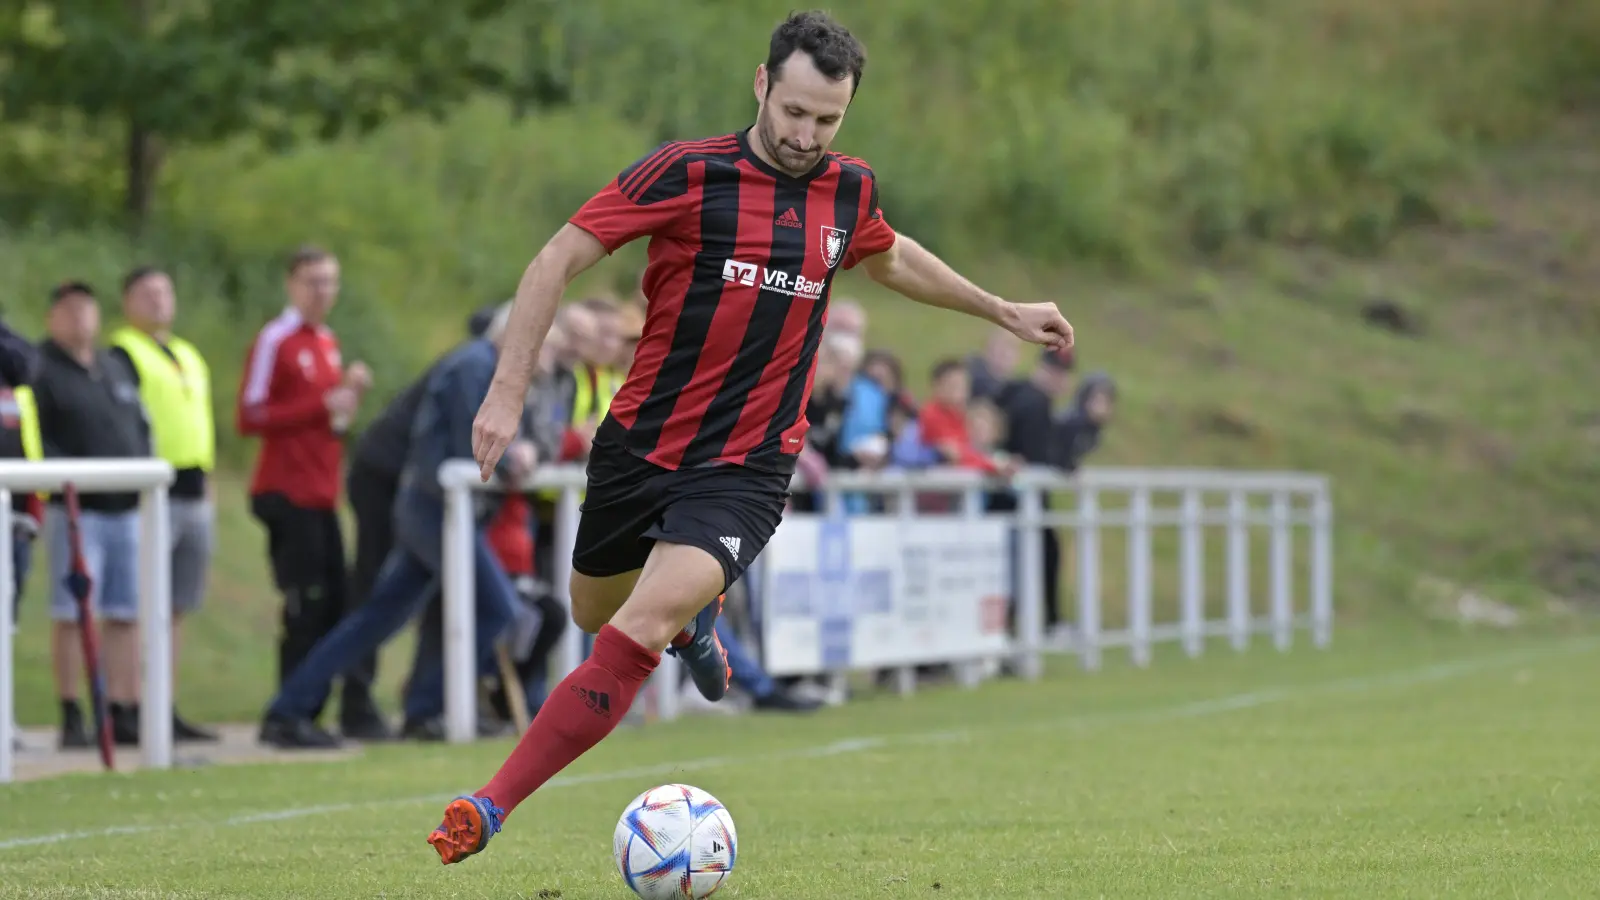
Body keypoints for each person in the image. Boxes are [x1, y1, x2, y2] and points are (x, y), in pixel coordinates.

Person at [426, 10, 1072, 865]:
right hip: (640, 443)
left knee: (637, 629)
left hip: (750, 463)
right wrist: (507, 393)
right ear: (763, 85)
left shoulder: (848, 191)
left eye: (827, 120)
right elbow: (555, 261)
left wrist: (1000, 309)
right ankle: (700, 619)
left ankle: (488, 804)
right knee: (597, 611)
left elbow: (890, 256)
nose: (807, 135)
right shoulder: (688, 173)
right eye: (795, 111)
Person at [258, 305, 528, 748]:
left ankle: (296, 707)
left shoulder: (483, 365)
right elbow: (475, 440)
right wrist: (517, 457)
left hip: (429, 503)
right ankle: (424, 705)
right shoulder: (476, 365)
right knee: (494, 606)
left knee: (379, 614)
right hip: (428, 505)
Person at [237, 246, 384, 739]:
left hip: (321, 492)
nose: (322, 292)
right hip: (285, 489)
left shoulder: (326, 341)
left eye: (329, 282)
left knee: (333, 603)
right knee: (304, 605)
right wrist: (320, 405)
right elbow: (250, 415)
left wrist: (345, 403)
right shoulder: (277, 339)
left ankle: (307, 710)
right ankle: (287, 715)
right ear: (292, 285)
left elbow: (328, 422)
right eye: (312, 281)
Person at [31, 281, 150, 748]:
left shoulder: (115, 365)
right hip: (77, 509)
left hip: (125, 505)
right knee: (72, 611)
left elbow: (139, 424)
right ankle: (73, 710)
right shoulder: (43, 369)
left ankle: (124, 707)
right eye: (69, 309)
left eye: (87, 308)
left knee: (125, 611)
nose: (80, 318)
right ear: (53, 317)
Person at [107, 266, 219, 743]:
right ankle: (126, 704)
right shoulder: (123, 353)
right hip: (153, 492)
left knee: (175, 605)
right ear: (127, 301)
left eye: (164, 291)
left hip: (194, 489)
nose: (158, 301)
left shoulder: (187, 353)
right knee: (137, 604)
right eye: (146, 293)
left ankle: (162, 705)